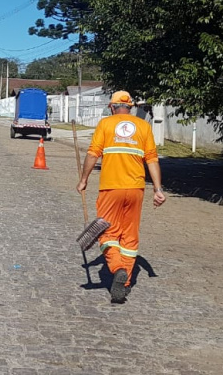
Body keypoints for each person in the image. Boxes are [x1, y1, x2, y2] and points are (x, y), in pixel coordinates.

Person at [76, 90, 166, 303]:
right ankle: (124, 285)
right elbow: (152, 159)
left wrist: (83, 180)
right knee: (129, 237)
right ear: (131, 108)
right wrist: (158, 189)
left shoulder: (105, 124)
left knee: (107, 233)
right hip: (136, 189)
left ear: (111, 107)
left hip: (111, 188)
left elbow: (93, 153)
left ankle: (117, 269)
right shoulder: (143, 126)